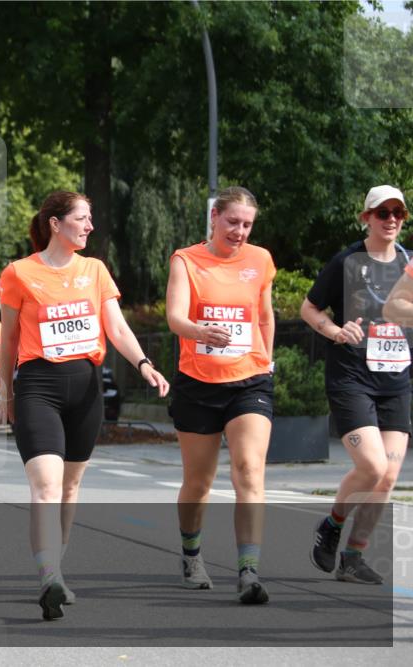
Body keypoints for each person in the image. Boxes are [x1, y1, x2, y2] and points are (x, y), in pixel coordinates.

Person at [0, 190, 168, 621]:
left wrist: (145, 363)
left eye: (91, 218)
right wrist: (5, 392)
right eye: (82, 218)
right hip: (38, 386)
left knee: (70, 488)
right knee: (47, 487)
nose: (90, 226)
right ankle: (48, 576)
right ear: (56, 223)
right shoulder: (19, 273)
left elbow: (117, 328)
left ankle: (58, 569)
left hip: (85, 388)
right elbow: (10, 339)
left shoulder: (94, 270)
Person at [165, 186, 276, 605]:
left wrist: (266, 361)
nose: (240, 231)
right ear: (215, 217)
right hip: (198, 383)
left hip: (250, 381)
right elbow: (174, 316)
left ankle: (249, 571)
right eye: (232, 222)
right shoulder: (186, 259)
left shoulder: (260, 260)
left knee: (249, 471)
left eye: (247, 225)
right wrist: (198, 331)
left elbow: (264, 317)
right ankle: (191, 555)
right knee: (198, 481)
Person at [301, 184, 410, 585]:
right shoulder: (347, 261)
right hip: (352, 379)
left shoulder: (409, 263)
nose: (392, 220)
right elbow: (309, 308)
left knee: (388, 477)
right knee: (373, 465)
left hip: (396, 381)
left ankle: (353, 556)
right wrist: (333, 330)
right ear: (366, 217)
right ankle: (332, 524)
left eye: (398, 212)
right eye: (383, 213)